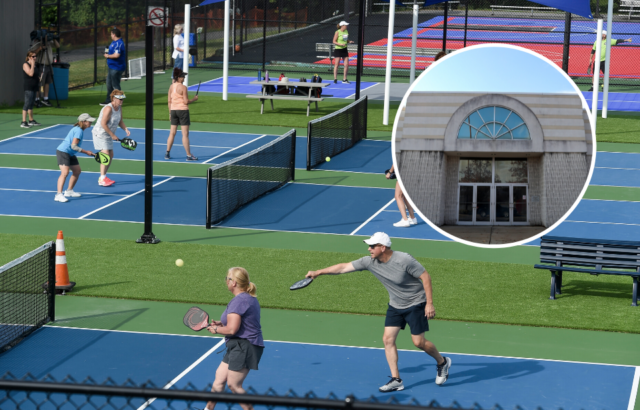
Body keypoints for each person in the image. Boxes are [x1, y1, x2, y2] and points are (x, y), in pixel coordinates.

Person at [305, 232, 451, 391]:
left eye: (372, 246)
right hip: (395, 305)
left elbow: (425, 277)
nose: (369, 249)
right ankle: (396, 380)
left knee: (418, 342)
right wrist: (318, 272)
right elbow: (343, 267)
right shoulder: (369, 262)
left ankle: (442, 362)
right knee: (388, 339)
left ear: (383, 247)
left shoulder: (404, 259)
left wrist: (429, 303)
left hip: (416, 303)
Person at [206, 267, 264, 410]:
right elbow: (238, 322)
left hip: (245, 346)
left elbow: (232, 330)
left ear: (234, 283)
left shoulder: (239, 301)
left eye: (228, 278)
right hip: (238, 344)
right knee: (219, 379)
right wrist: (222, 324)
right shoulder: (245, 299)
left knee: (234, 385)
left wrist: (216, 329)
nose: (226, 281)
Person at [54, 114, 96, 203]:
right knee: (65, 173)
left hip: (70, 153)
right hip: (63, 152)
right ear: (84, 122)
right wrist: (86, 152)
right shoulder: (79, 131)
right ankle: (58, 195)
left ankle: (69, 191)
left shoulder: (79, 129)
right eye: (89, 121)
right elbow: (74, 146)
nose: (91, 122)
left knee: (77, 171)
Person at [92, 89, 130, 186]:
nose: (121, 101)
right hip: (100, 133)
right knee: (105, 155)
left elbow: (120, 121)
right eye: (119, 99)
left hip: (108, 134)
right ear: (113, 98)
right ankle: (102, 179)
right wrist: (113, 135)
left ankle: (103, 176)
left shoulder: (119, 108)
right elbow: (103, 124)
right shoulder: (108, 108)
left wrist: (125, 129)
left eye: (122, 99)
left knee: (111, 154)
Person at [165, 68, 198, 161]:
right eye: (183, 76)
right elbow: (186, 101)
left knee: (172, 133)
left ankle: (167, 153)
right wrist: (194, 99)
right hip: (183, 111)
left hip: (174, 111)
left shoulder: (171, 87)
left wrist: (170, 113)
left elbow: (169, 101)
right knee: (185, 134)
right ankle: (188, 155)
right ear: (178, 77)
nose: (184, 78)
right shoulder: (183, 87)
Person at [29, 30, 60, 108]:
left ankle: (45, 99)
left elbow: (58, 46)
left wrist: (54, 38)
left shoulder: (49, 42)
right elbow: (32, 53)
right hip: (41, 65)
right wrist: (40, 48)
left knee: (47, 82)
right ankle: (37, 99)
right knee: (39, 83)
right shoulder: (38, 43)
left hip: (49, 65)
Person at [101, 28, 126, 106]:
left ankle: (119, 101)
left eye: (111, 34)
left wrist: (107, 56)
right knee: (109, 83)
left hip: (116, 67)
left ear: (114, 34)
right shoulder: (114, 42)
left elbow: (116, 55)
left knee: (115, 85)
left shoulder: (119, 43)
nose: (111, 35)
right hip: (112, 67)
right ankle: (109, 100)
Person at [22, 51, 41, 128]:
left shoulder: (35, 66)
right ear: (29, 57)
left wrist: (40, 78)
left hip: (34, 87)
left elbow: (36, 76)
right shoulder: (25, 64)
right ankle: (23, 122)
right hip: (28, 87)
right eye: (33, 56)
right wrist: (32, 64)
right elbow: (30, 74)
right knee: (27, 104)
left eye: (35, 56)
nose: (35, 58)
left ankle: (31, 120)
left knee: (31, 104)